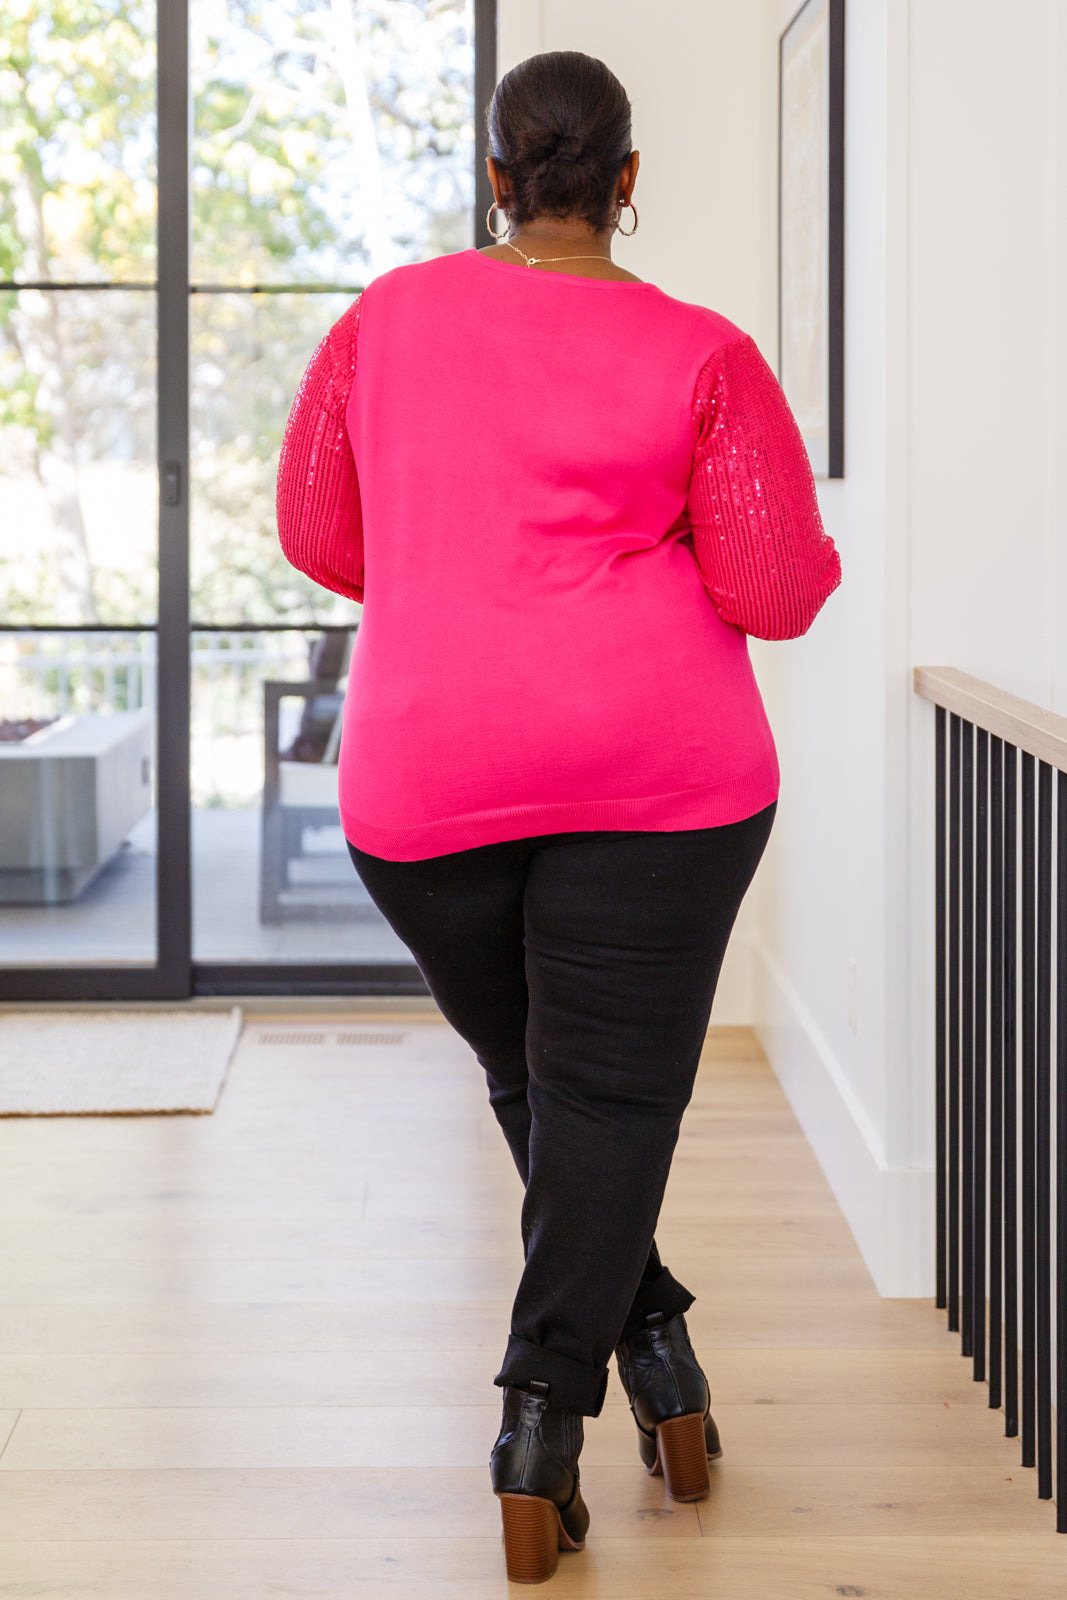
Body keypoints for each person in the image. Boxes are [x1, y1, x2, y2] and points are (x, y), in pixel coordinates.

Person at [276, 49, 841, 1586]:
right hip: (664, 783)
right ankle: (548, 1409)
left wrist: (466, 565)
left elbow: (323, 532)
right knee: (599, 1100)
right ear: (630, 185)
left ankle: (652, 1357)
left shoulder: (387, 321)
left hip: (424, 785)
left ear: (498, 179)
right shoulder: (704, 353)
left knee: (542, 1081)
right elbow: (774, 588)